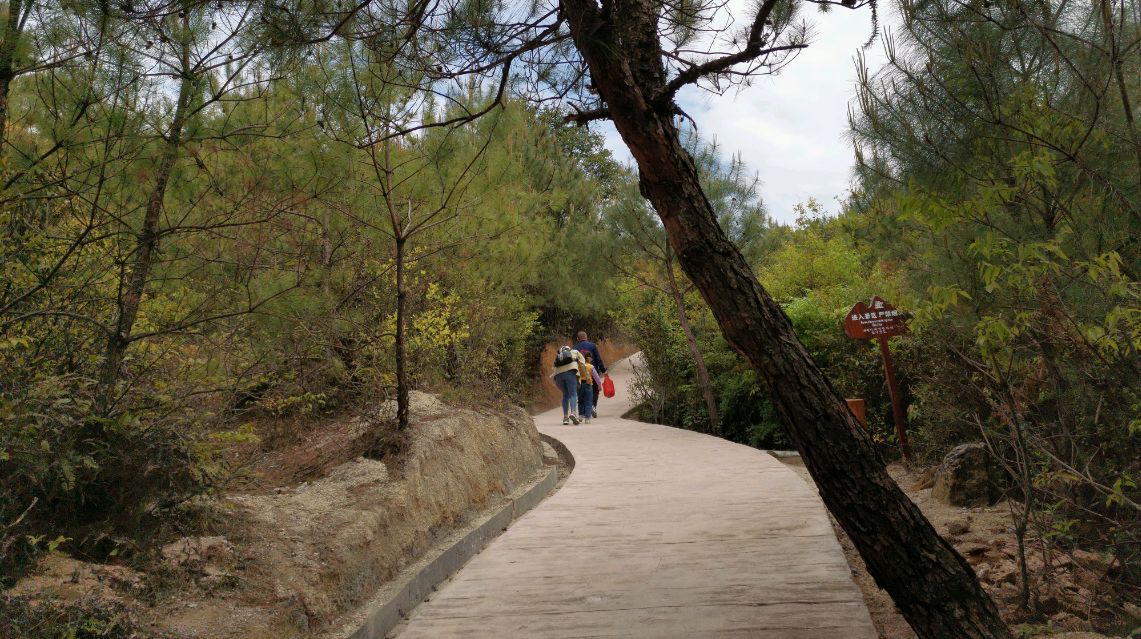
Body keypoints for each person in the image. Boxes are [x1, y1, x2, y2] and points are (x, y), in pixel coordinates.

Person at [573, 331, 605, 417]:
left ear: (577, 338)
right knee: (595, 390)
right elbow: (598, 359)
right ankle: (593, 406)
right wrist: (603, 370)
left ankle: (582, 412)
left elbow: (573, 362)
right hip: (592, 371)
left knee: (581, 392)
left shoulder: (575, 348)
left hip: (580, 373)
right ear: (586, 337)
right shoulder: (593, 346)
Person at [551, 344, 584, 425]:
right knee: (573, 394)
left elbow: (554, 368)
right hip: (570, 373)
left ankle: (565, 418)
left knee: (565, 395)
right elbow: (582, 363)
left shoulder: (559, 356)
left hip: (558, 376)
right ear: (569, 349)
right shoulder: (575, 351)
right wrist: (586, 375)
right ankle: (573, 413)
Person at [577, 351, 596, 424]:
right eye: (591, 358)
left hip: (580, 384)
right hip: (588, 384)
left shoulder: (579, 365)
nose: (592, 359)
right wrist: (599, 385)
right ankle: (587, 418)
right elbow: (596, 377)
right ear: (589, 358)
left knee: (580, 400)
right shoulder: (591, 367)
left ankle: (581, 415)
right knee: (588, 401)